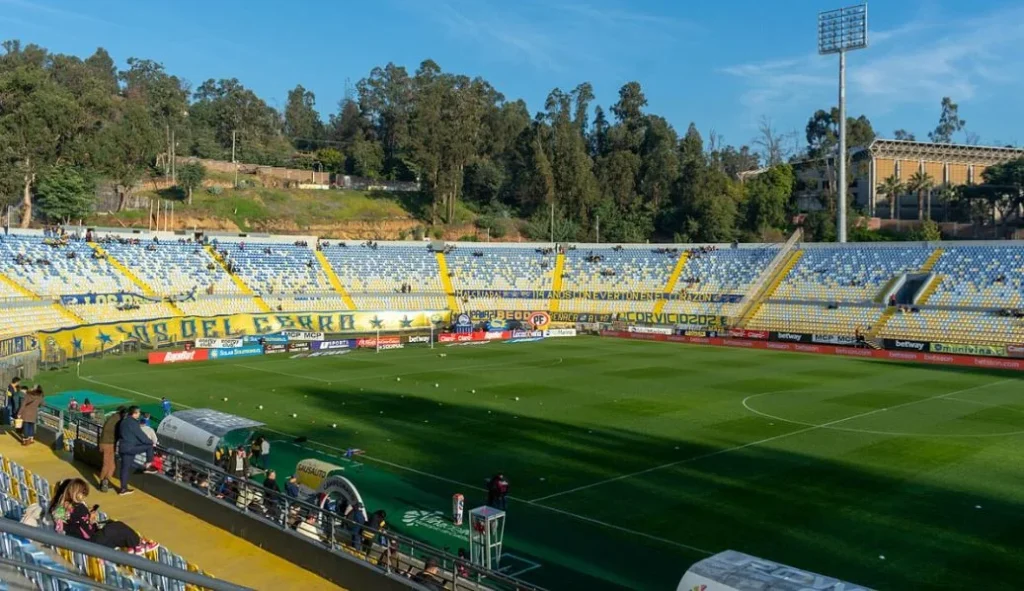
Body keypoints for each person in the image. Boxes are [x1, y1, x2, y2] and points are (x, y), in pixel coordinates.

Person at [48, 478, 158, 554]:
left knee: (111, 526)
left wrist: (87, 517)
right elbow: (85, 528)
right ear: (76, 492)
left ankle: (132, 546)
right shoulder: (78, 507)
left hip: (81, 541)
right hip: (89, 543)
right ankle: (138, 545)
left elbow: (68, 523)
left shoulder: (61, 507)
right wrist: (90, 519)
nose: (84, 496)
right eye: (83, 492)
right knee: (116, 526)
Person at [116, 406, 157, 495]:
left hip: (123, 447)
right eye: (138, 413)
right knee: (149, 446)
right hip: (130, 448)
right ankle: (148, 465)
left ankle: (123, 489)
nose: (139, 414)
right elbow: (141, 436)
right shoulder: (133, 423)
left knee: (125, 469)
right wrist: (151, 442)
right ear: (134, 413)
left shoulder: (123, 421)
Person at [98, 407, 126, 492]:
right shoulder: (118, 420)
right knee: (107, 465)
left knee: (111, 466)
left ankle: (105, 482)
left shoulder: (113, 418)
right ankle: (102, 483)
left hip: (107, 443)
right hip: (108, 443)